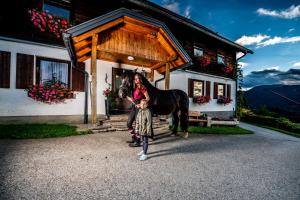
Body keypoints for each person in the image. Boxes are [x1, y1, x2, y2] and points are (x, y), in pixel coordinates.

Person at [126, 74, 150, 147]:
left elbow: (148, 98)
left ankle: (138, 141)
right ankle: (134, 137)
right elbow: (134, 99)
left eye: (138, 78)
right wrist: (129, 98)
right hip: (134, 106)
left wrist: (140, 104)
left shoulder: (142, 87)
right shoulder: (135, 88)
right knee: (129, 123)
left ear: (140, 79)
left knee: (138, 125)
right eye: (135, 79)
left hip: (139, 108)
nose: (136, 80)